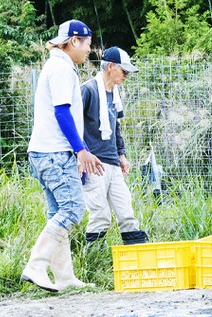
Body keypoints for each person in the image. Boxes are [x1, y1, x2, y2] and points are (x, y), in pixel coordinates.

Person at [21, 19, 104, 292]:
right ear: (73, 41)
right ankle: (36, 265)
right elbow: (61, 112)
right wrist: (80, 150)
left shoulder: (56, 66)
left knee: (58, 212)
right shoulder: (61, 69)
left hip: (45, 152)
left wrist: (81, 150)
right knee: (72, 210)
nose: (89, 51)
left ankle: (65, 278)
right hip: (55, 153)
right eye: (88, 45)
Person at [81, 46, 149, 249]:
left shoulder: (115, 94)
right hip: (93, 163)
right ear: (110, 66)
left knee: (126, 213)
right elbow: (74, 125)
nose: (127, 75)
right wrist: (80, 156)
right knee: (100, 216)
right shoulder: (88, 90)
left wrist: (122, 155)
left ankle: (137, 257)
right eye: (124, 70)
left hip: (112, 162)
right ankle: (93, 262)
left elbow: (115, 127)